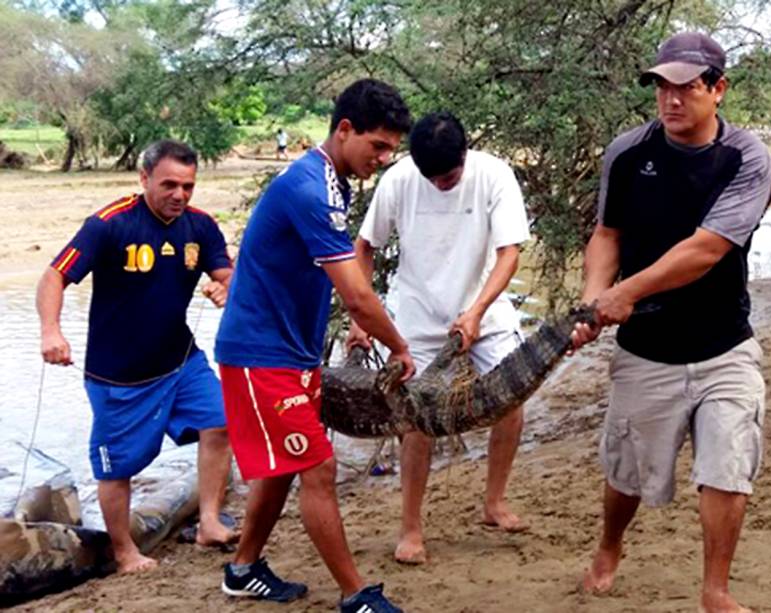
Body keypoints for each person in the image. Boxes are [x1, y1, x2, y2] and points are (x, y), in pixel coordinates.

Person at [570, 33, 771, 613]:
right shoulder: (628, 153)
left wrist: (624, 292)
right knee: (626, 471)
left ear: (719, 88)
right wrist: (592, 302)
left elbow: (705, 249)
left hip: (724, 344)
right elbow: (607, 235)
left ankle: (715, 589)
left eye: (686, 86)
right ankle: (610, 547)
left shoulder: (746, 157)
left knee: (728, 465)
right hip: (646, 349)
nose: (671, 99)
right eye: (662, 86)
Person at [215, 79, 415, 612]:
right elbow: (356, 293)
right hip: (261, 355)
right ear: (344, 129)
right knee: (318, 467)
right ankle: (355, 596)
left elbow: (330, 274)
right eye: (377, 146)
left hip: (291, 352)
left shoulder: (334, 181)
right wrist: (398, 346)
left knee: (286, 464)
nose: (384, 158)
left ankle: (243, 568)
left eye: (392, 149)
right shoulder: (311, 188)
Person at [36, 139, 237, 574]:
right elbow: (54, 275)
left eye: (188, 186)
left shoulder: (200, 227)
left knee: (220, 422)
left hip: (181, 360)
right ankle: (125, 552)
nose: (179, 195)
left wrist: (228, 286)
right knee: (116, 468)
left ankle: (208, 522)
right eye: (169, 185)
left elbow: (230, 274)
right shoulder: (109, 224)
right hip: (118, 376)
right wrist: (51, 330)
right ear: (144, 178)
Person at [348, 111, 532, 565]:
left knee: (511, 402)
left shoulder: (495, 175)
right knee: (416, 419)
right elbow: (365, 245)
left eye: (448, 177)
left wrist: (476, 312)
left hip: (483, 309)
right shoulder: (400, 179)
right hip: (415, 315)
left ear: (465, 156)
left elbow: (510, 253)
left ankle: (494, 501)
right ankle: (411, 528)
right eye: (432, 178)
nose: (440, 185)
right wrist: (361, 316)